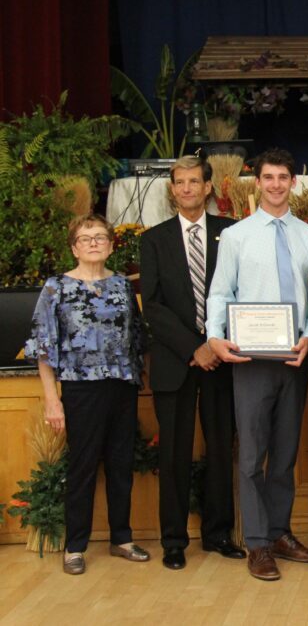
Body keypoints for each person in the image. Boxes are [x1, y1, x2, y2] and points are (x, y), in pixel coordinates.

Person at [206, 148, 308, 581]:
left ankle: (279, 533)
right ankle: (257, 544)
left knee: (286, 454)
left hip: (294, 358)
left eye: (283, 177)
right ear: (256, 183)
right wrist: (215, 337)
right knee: (252, 454)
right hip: (250, 359)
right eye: (268, 177)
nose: (275, 184)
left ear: (294, 183)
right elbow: (221, 292)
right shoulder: (236, 236)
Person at [25, 213, 149, 575]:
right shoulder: (56, 288)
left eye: (100, 237)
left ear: (111, 245)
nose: (94, 242)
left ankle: (122, 538)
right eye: (86, 238)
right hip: (80, 388)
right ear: (74, 247)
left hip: (123, 386)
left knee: (121, 464)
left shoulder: (123, 286)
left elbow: (137, 339)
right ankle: (75, 546)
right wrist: (52, 399)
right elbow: (44, 348)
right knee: (82, 467)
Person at [140, 155, 245, 570]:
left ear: (208, 188)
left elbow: (242, 291)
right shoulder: (154, 239)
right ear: (172, 189)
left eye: (192, 182)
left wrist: (215, 345)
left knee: (221, 449)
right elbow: (154, 305)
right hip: (176, 362)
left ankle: (218, 534)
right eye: (178, 182)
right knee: (175, 454)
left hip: (223, 360)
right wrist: (194, 348)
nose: (185, 189)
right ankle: (173, 541)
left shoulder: (231, 233)